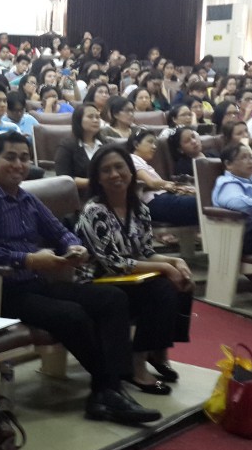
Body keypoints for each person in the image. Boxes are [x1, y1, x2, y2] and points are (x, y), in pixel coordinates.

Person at [0, 131, 161, 424]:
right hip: (1, 293)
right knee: (73, 314)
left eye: (24, 158)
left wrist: (73, 246)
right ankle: (110, 392)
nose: (19, 164)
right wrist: (27, 259)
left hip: (39, 284)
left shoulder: (27, 198)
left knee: (112, 299)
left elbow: (60, 231)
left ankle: (107, 390)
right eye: (10, 157)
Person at [75, 144, 194, 394]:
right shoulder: (94, 211)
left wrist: (175, 262)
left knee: (182, 279)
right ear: (97, 178)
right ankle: (137, 364)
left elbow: (146, 251)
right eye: (106, 170)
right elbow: (114, 264)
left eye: (119, 167)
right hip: (98, 279)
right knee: (161, 287)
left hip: (131, 276)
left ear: (131, 171)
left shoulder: (139, 208)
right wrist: (163, 268)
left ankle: (158, 352)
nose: (115, 174)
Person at [128, 129, 199, 226]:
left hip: (163, 198)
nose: (154, 147)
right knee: (199, 203)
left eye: (155, 143)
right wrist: (171, 185)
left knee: (201, 201)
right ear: (136, 144)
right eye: (150, 142)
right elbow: (151, 183)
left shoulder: (142, 162)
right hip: (153, 201)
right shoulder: (132, 159)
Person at [56, 103, 109, 201]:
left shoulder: (106, 144)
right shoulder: (67, 146)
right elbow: (64, 178)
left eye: (97, 117)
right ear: (78, 120)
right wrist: (95, 182)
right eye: (90, 117)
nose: (95, 120)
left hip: (108, 194)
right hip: (80, 198)